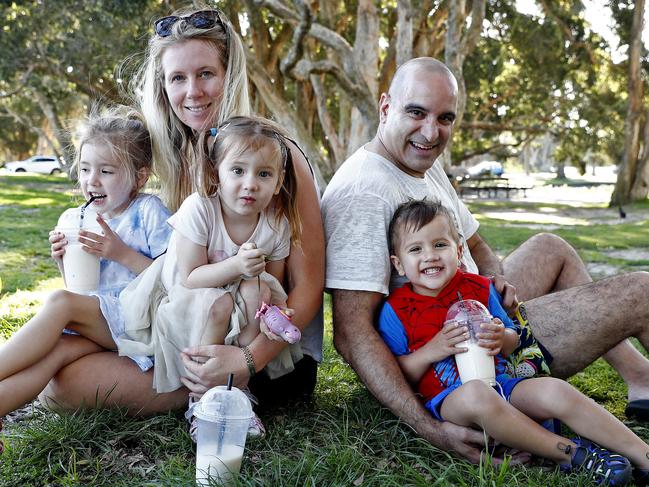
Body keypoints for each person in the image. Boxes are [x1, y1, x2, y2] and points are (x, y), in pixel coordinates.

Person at [320, 56, 649, 463]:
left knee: (551, 247)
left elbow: (474, 244)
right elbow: (352, 336)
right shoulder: (364, 193)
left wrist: (497, 280)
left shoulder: (421, 163)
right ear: (386, 107)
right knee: (641, 291)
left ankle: (640, 379)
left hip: (481, 308)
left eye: (445, 118)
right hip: (457, 355)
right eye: (416, 112)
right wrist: (431, 428)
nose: (430, 132)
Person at [39, 5, 324, 414]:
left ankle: (220, 393)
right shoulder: (187, 155)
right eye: (178, 78)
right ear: (164, 86)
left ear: (230, 75)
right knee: (61, 356)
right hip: (190, 330)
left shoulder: (274, 159)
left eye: (206, 73)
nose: (193, 91)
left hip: (269, 357)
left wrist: (247, 360)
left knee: (64, 387)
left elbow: (308, 288)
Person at [379, 198, 648, 484]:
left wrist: (500, 336)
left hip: (503, 383)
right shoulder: (395, 310)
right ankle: (571, 454)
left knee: (555, 390)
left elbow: (511, 338)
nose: (430, 256)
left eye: (440, 245)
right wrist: (432, 350)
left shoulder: (479, 289)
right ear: (398, 264)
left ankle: (643, 454)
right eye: (416, 249)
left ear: (459, 251)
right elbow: (399, 373)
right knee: (476, 395)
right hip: (451, 400)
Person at [0, 108, 171, 421]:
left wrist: (120, 253)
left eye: (106, 171)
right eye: (85, 169)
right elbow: (83, 289)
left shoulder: (148, 211)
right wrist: (62, 261)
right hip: (104, 322)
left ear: (140, 176)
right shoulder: (81, 217)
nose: (92, 180)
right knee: (56, 351)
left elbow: (171, 281)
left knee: (60, 302)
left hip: (140, 320)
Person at [117, 116, 303, 395]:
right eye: (238, 171)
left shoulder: (276, 225)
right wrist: (238, 264)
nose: (250, 183)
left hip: (237, 299)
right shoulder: (200, 209)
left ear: (278, 181)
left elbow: (273, 284)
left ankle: (238, 386)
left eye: (264, 174)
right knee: (219, 303)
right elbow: (190, 278)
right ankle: (200, 393)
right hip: (188, 294)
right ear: (217, 174)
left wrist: (273, 312)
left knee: (259, 290)